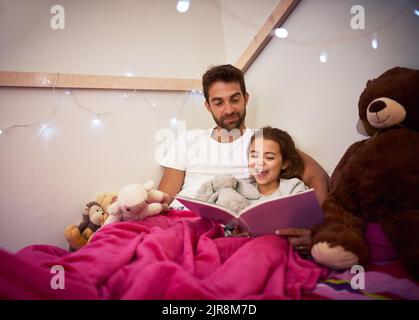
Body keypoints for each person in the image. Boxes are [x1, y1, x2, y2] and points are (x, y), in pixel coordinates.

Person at [157, 64, 329, 253]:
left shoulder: (264, 140)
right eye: (219, 102)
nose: (229, 109)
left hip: (231, 233)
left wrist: (318, 224)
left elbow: (318, 175)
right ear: (208, 106)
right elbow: (163, 198)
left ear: (246, 98)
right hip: (181, 222)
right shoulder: (187, 139)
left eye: (235, 99)